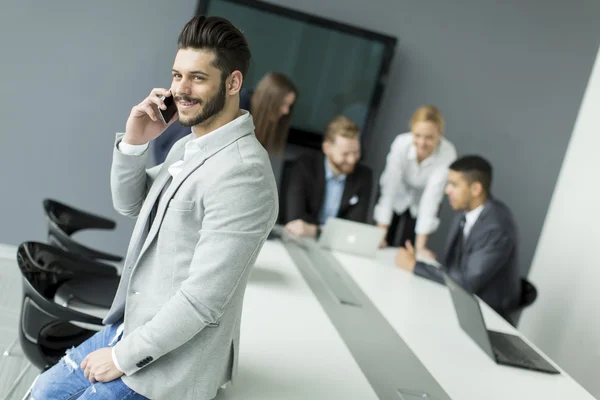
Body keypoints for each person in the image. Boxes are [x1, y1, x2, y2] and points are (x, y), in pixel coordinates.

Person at [31, 15, 278, 400]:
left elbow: (202, 301)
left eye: (197, 77)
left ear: (233, 83)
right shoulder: (188, 144)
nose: (181, 89)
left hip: (174, 363)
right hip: (131, 328)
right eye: (177, 75)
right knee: (43, 392)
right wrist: (134, 142)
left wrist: (122, 357)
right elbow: (131, 205)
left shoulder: (244, 175)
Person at [395, 155, 521, 323]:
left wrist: (414, 266)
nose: (447, 190)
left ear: (476, 189)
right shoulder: (463, 214)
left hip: (485, 320)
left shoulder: (497, 227)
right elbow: (453, 268)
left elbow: (466, 282)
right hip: (457, 306)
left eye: (454, 185)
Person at [153, 71, 297, 164]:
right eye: (283, 104)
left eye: (289, 106)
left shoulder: (249, 115)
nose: (285, 111)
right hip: (170, 159)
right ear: (270, 100)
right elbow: (187, 141)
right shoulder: (232, 109)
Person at [373, 105, 457, 252]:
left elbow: (432, 196)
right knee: (380, 242)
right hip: (396, 193)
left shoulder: (448, 153)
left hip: (422, 199)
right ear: (411, 131)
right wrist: (380, 234)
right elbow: (389, 188)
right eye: (417, 135)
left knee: (409, 248)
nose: (422, 143)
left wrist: (421, 247)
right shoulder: (400, 143)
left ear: (440, 135)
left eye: (429, 137)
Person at [283, 115, 373, 238]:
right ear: (327, 148)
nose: (352, 160)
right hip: (297, 240)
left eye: (356, 152)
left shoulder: (364, 176)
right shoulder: (303, 167)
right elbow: (296, 221)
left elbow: (354, 227)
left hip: (337, 246)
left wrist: (316, 231)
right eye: (345, 154)